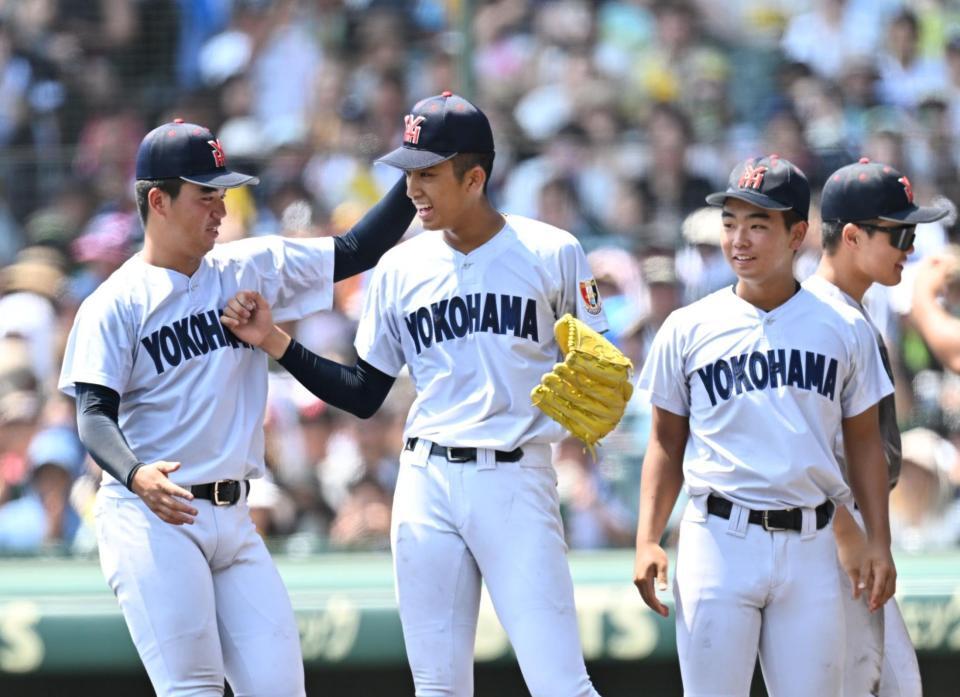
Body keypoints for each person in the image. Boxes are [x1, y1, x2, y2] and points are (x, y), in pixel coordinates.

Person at [221, 92, 603, 696]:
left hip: (516, 477)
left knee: (561, 684)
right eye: (408, 173)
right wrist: (274, 341)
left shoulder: (552, 251)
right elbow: (364, 393)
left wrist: (591, 402)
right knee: (437, 688)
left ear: (474, 178)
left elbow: (599, 369)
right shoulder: (399, 267)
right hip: (426, 480)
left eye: (427, 174)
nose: (411, 190)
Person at [57, 119, 414, 697]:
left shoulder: (247, 266)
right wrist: (136, 473)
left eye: (223, 194)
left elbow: (358, 249)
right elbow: (93, 413)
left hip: (237, 515)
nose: (221, 209)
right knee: (192, 689)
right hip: (154, 518)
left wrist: (419, 164)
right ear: (158, 201)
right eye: (206, 196)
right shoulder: (114, 303)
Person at [632, 154, 897, 696]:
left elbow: (866, 444)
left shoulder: (843, 327)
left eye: (757, 224)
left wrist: (880, 541)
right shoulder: (687, 326)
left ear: (797, 234)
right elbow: (665, 442)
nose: (739, 239)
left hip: (811, 543)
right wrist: (647, 538)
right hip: (718, 538)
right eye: (730, 222)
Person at [806, 157, 948, 697]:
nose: (910, 248)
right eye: (899, 234)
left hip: (847, 530)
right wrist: (853, 535)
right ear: (851, 236)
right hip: (824, 534)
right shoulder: (817, 318)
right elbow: (805, 448)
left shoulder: (850, 312)